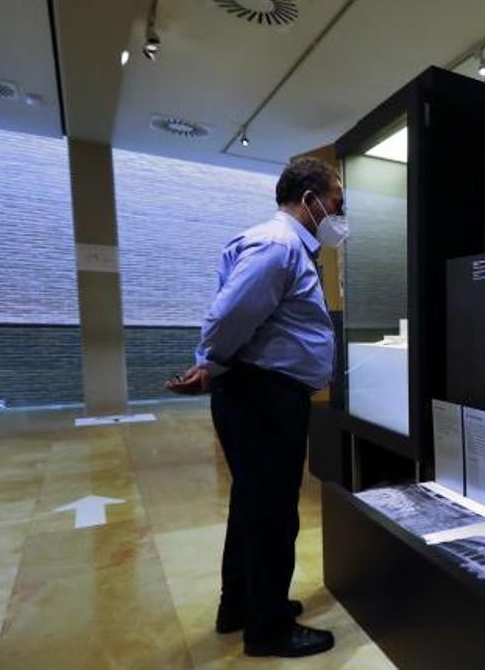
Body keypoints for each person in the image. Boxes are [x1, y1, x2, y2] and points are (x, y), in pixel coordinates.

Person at [166, 156, 346, 658]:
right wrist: (211, 362)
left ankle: (241, 606)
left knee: (252, 504)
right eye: (336, 202)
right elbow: (229, 316)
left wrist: (214, 364)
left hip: (260, 392)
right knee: (272, 514)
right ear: (309, 199)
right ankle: (268, 630)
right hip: (264, 395)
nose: (339, 214)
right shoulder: (279, 245)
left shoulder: (284, 246)